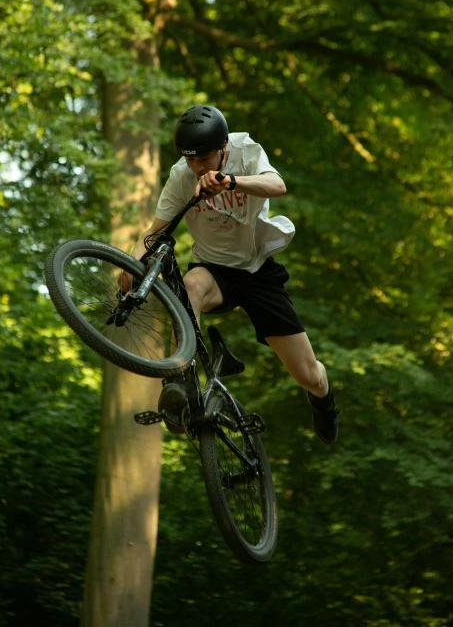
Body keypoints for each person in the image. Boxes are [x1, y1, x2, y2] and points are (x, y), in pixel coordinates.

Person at [122, 105, 339, 444]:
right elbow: (153, 234)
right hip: (214, 271)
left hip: (258, 271)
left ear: (223, 147)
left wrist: (230, 182)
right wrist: (131, 265)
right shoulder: (182, 176)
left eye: (204, 158)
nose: (197, 167)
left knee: (308, 375)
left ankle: (323, 400)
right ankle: (179, 383)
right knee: (190, 284)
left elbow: (277, 185)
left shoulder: (245, 150)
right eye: (190, 159)